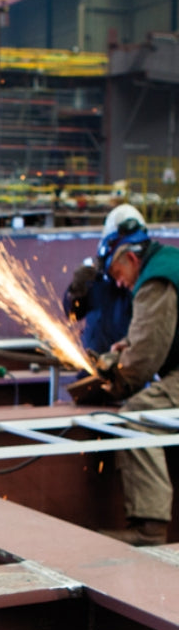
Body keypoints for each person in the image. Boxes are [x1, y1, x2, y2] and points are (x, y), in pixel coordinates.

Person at [98, 215, 179, 546]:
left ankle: (149, 529)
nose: (119, 283)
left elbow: (143, 361)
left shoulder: (156, 280)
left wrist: (114, 383)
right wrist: (125, 349)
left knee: (136, 418)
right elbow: (153, 338)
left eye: (118, 274)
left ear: (130, 258)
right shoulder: (168, 262)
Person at [62, 204, 138, 354]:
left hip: (128, 368)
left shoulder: (145, 281)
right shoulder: (97, 276)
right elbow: (72, 315)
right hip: (94, 364)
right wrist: (76, 290)